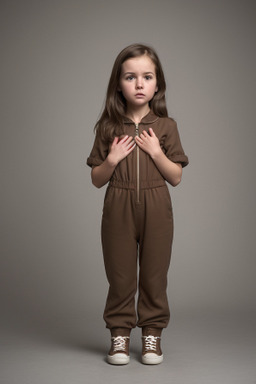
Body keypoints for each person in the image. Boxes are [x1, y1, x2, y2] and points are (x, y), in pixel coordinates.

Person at [87, 43, 189, 365]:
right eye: (131, 77)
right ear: (118, 83)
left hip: (157, 206)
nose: (140, 83)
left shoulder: (167, 127)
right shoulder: (108, 127)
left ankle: (151, 337)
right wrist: (113, 159)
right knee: (120, 276)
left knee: (154, 276)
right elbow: (96, 178)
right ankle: (119, 336)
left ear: (158, 83)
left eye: (147, 76)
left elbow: (176, 177)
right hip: (118, 206)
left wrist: (157, 152)